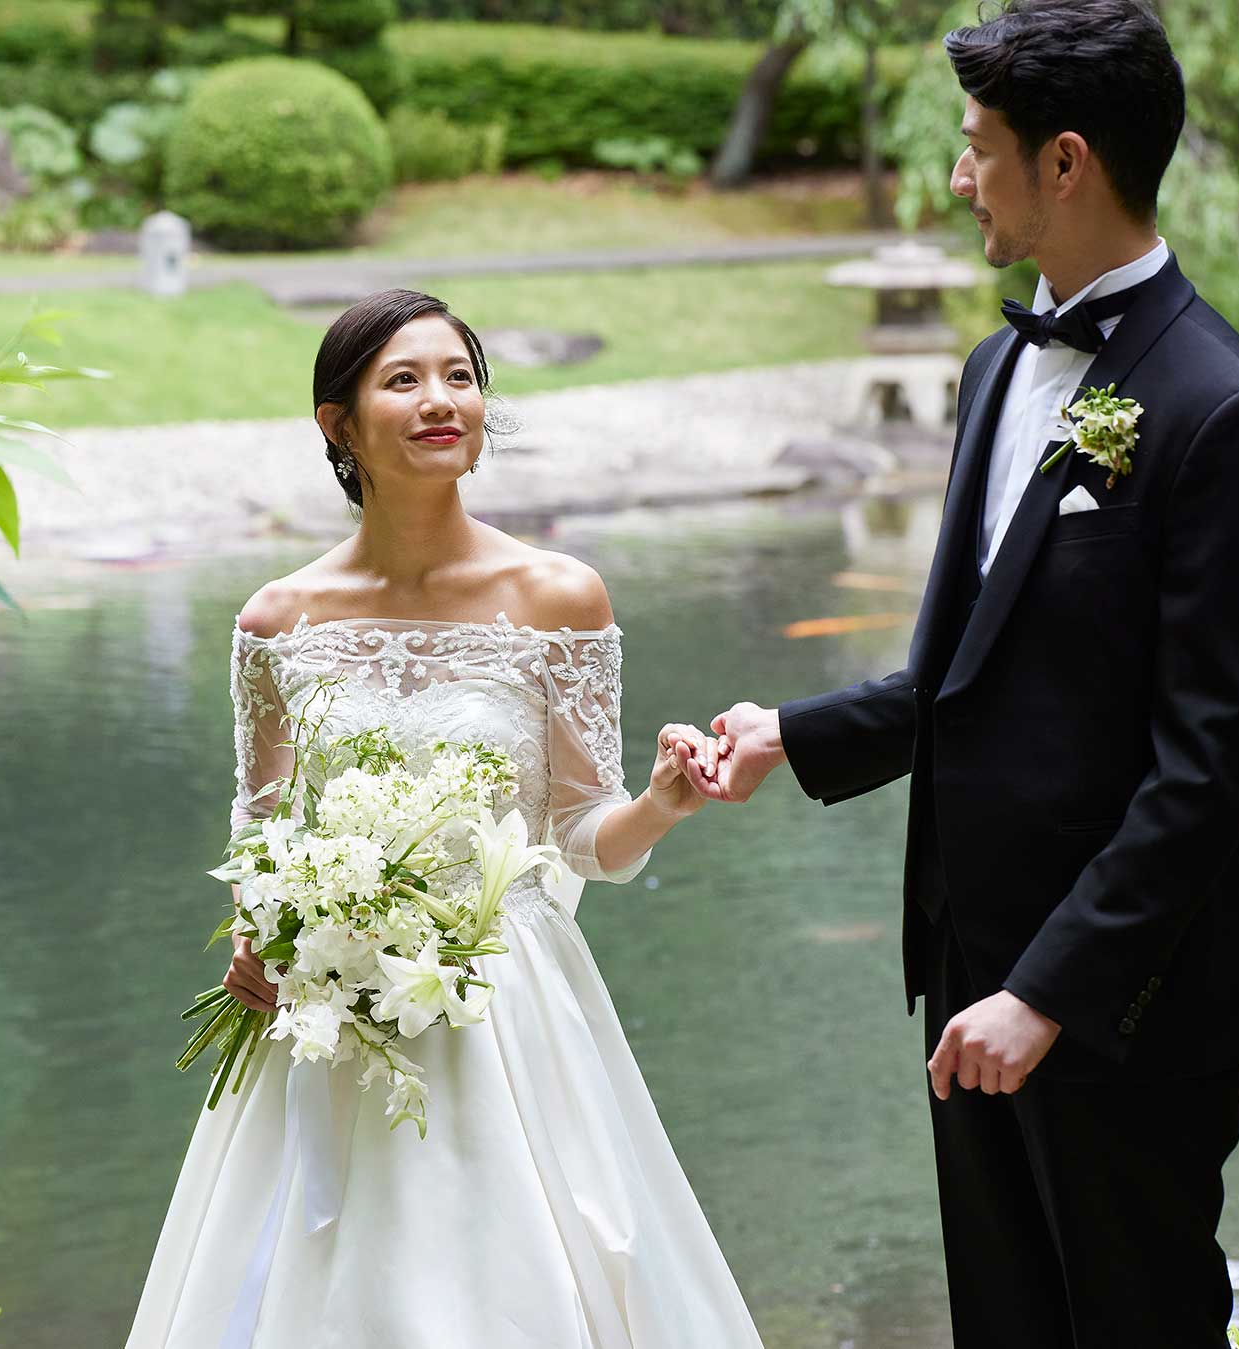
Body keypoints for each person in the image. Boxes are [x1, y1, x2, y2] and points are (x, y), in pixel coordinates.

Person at [687, 2, 1239, 1343]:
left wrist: (1052, 991)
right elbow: (963, 673)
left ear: (1068, 161)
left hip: (1125, 1009)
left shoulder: (1229, 415)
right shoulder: (992, 367)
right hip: (969, 979)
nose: (959, 177)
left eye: (978, 148)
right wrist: (788, 736)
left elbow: (1208, 769)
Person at [123, 288, 762, 1348]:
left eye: (458, 377)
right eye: (403, 380)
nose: (439, 402)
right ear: (338, 421)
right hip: (327, 1014)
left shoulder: (557, 596)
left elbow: (578, 836)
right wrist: (257, 930)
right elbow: (260, 826)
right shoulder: (277, 620)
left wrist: (657, 801)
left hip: (504, 1004)